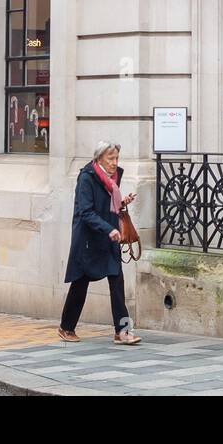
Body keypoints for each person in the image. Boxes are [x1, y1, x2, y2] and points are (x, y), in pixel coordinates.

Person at [58, 140, 140, 345]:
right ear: (99, 158)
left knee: (117, 283)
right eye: (110, 158)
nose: (114, 163)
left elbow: (108, 206)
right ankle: (66, 327)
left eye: (116, 158)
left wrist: (122, 203)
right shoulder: (86, 178)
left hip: (109, 238)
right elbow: (85, 211)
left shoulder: (114, 177)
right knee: (80, 284)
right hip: (88, 240)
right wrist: (109, 229)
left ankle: (122, 331)